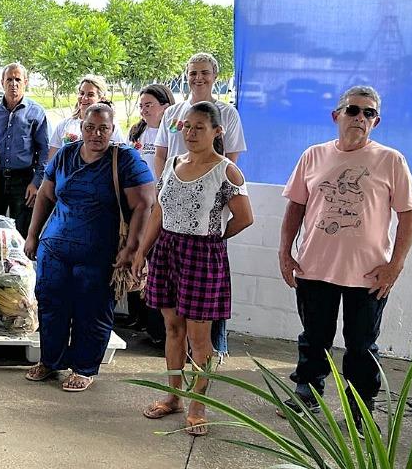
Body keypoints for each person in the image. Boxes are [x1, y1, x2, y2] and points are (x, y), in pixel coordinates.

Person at [277, 86, 412, 417]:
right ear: (336, 115)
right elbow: (295, 208)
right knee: (314, 339)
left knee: (362, 347)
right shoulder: (313, 155)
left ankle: (360, 411)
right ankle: (306, 395)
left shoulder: (391, 160)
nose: (360, 117)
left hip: (368, 275)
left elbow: (409, 217)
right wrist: (285, 252)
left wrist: (394, 266)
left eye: (369, 113)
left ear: (376, 121)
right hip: (314, 268)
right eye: (353, 110)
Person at [134, 101, 254, 436]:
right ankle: (173, 396)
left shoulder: (226, 171)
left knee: (200, 338)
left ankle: (198, 405)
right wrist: (143, 251)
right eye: (187, 127)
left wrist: (214, 240)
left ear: (217, 132)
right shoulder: (172, 164)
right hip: (167, 250)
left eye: (200, 127)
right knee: (172, 329)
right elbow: (158, 211)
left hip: (202, 255)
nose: (191, 133)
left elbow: (245, 217)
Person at [23, 103, 155, 391]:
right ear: (81, 127)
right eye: (90, 127)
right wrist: (33, 236)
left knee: (92, 310)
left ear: (112, 129)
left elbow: (145, 204)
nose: (96, 134)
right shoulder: (67, 154)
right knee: (50, 305)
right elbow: (45, 195)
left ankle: (84, 367)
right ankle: (50, 360)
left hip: (99, 252)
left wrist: (132, 249)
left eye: (103, 128)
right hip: (54, 248)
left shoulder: (125, 160)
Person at [154, 53, 247, 359]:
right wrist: (168, 188)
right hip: (172, 222)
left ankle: (204, 385)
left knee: (202, 331)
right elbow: (161, 153)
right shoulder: (173, 113)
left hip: (205, 226)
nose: (198, 77)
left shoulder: (227, 113)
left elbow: (230, 165)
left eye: (204, 72)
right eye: (192, 72)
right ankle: (173, 394)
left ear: (215, 76)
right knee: (173, 326)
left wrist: (215, 229)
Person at [124, 83, 175, 343]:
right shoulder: (137, 131)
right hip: (138, 202)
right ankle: (137, 315)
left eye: (150, 105)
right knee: (136, 255)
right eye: (141, 105)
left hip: (161, 204)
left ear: (165, 106)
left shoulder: (173, 132)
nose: (144, 110)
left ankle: (155, 321)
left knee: (154, 261)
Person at [0, 63, 51, 238]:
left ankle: (20, 265)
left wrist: (36, 183)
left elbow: (44, 151)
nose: (13, 83)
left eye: (18, 79)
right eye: (9, 79)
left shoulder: (36, 112)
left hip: (23, 181)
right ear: (2, 82)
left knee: (21, 233)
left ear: (25, 82)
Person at [48, 74, 126, 160]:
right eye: (81, 93)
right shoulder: (64, 125)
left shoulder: (110, 127)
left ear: (101, 99)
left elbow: (120, 156)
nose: (84, 98)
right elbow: (52, 159)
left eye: (90, 95)